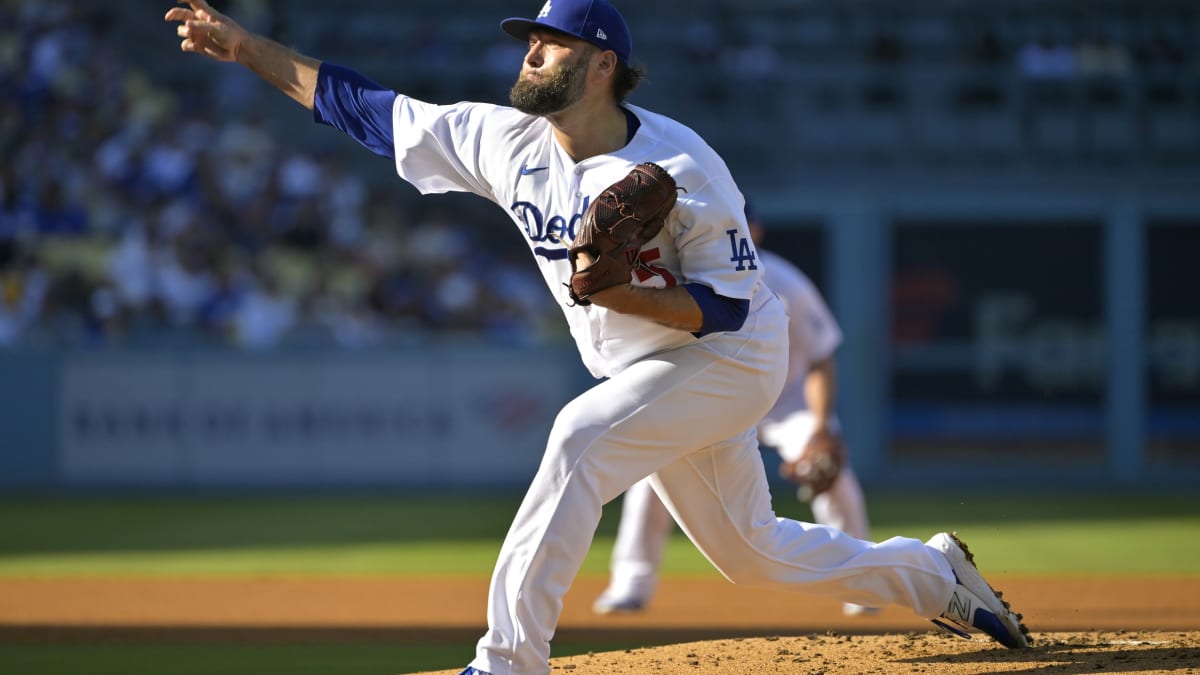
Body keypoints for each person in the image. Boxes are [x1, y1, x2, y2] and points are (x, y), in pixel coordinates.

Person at [164, 1, 1031, 673]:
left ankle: (508, 660)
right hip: (646, 369)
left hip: (729, 357)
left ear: (602, 63)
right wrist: (245, 48)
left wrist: (624, 288)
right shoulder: (504, 141)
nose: (529, 52)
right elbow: (360, 106)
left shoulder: (684, 166)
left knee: (578, 437)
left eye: (548, 41)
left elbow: (726, 308)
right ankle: (933, 573)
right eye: (527, 40)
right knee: (753, 555)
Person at [593, 203, 877, 618]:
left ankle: (861, 584)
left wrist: (820, 426)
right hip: (715, 400)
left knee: (835, 479)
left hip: (787, 403)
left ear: (756, 232)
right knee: (652, 480)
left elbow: (820, 360)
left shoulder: (786, 282)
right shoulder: (685, 277)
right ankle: (630, 585)